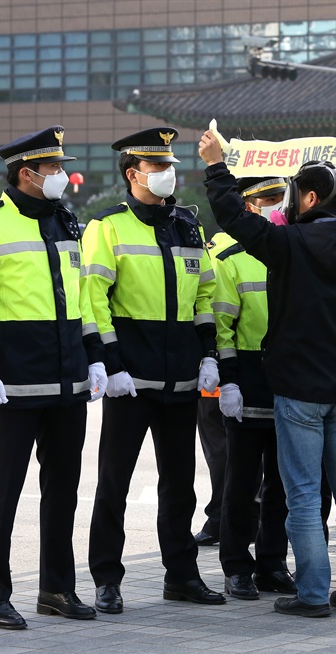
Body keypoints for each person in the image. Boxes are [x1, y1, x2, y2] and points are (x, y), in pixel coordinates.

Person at [199, 125, 336, 617]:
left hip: (298, 390)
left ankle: (311, 594)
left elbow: (231, 216)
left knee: (304, 493)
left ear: (308, 197)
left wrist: (216, 165)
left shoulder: (287, 244)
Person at [0, 126, 106, 629]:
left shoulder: (65, 221)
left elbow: (81, 298)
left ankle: (57, 589)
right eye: (55, 169)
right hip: (12, 384)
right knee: (1, 493)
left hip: (67, 382)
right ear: (28, 173)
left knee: (63, 491)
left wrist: (95, 356)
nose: (61, 175)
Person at [83, 127, 225, 613]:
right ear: (133, 174)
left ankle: (181, 575)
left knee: (180, 484)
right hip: (131, 381)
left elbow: (205, 296)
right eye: (158, 167)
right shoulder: (108, 227)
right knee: (114, 483)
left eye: (170, 166)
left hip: (182, 377)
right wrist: (111, 363)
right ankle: (106, 578)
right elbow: (93, 300)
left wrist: (208, 353)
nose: (168, 174)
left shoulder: (189, 226)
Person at [212, 175, 296, 599]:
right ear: (246, 206)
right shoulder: (230, 258)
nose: (277, 204)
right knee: (241, 484)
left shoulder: (294, 245)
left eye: (282, 197)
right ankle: (236, 566)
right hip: (247, 378)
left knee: (282, 484)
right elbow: (222, 326)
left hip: (289, 380)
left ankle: (272, 563)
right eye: (268, 198)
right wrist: (229, 383)